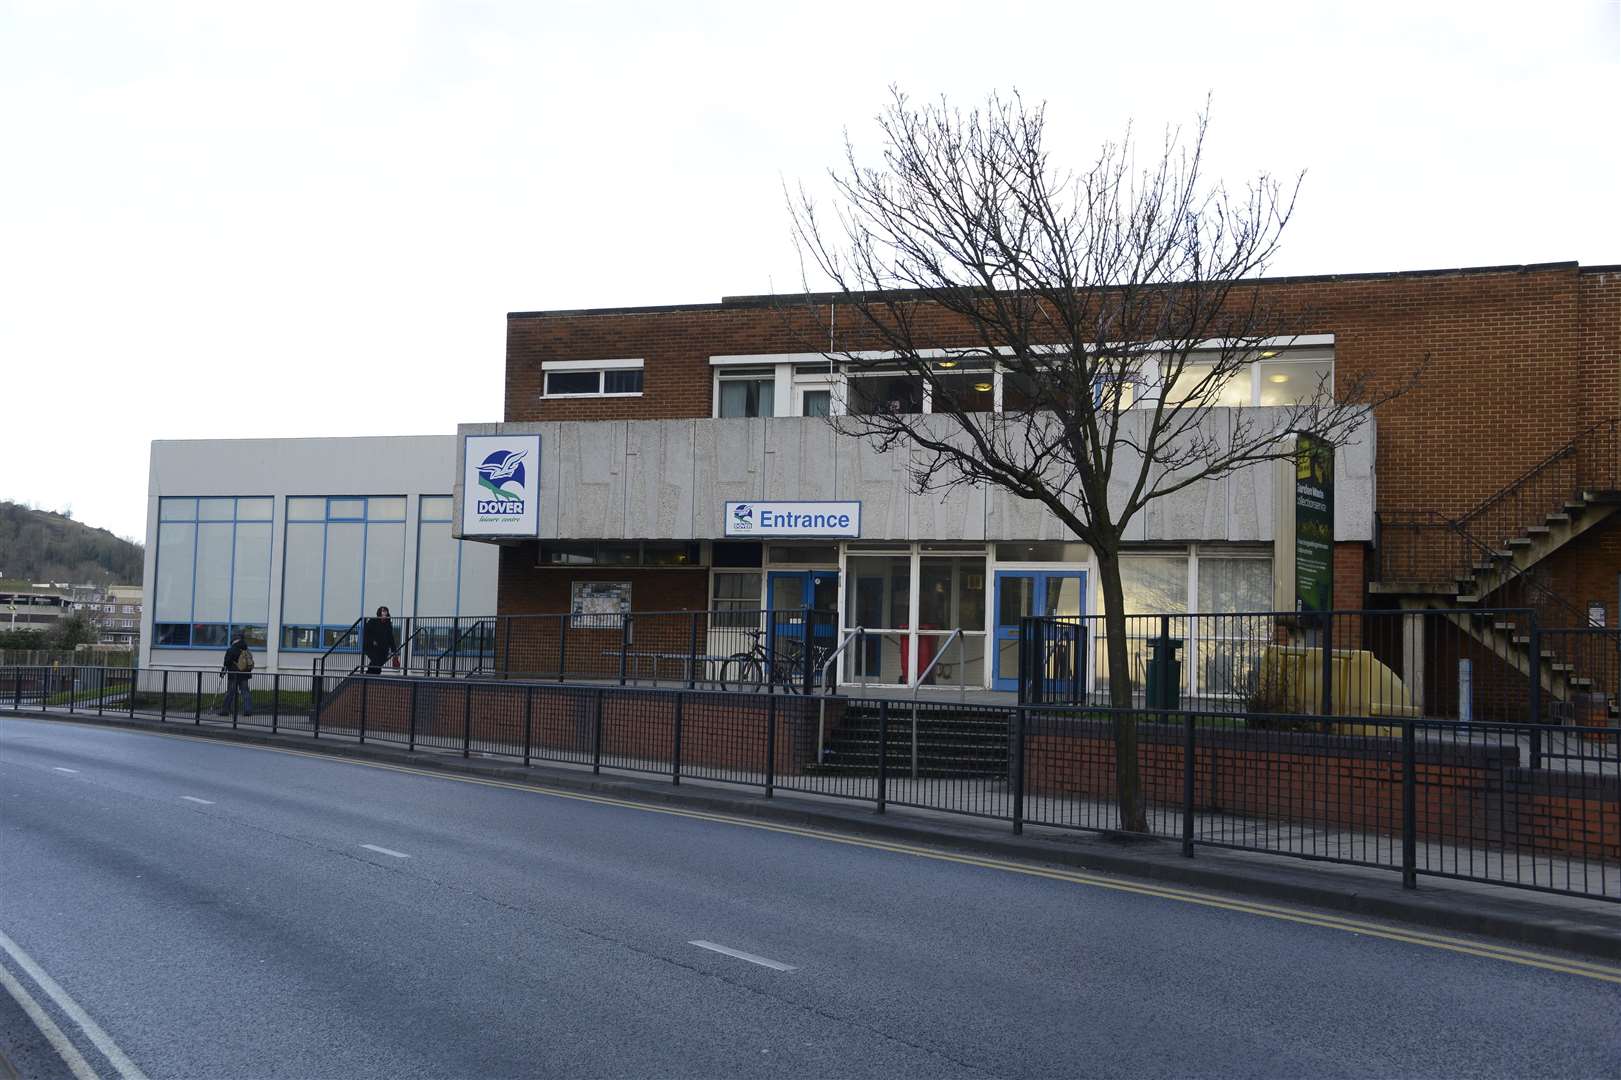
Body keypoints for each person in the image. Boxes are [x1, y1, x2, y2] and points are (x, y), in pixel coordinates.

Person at [219, 630, 253, 716]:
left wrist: (223, 672)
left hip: (233, 674)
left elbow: (227, 662)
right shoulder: (246, 649)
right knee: (245, 692)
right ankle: (248, 710)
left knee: (230, 692)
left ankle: (225, 710)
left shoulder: (231, 649)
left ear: (234, 639)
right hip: (245, 675)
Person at [362, 606, 399, 675]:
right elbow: (366, 632)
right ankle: (369, 675)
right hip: (371, 646)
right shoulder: (373, 621)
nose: (384, 613)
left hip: (383, 648)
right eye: (383, 611)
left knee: (378, 663)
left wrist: (394, 651)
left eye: (385, 611)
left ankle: (371, 675)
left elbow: (391, 638)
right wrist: (372, 640)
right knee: (376, 660)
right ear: (380, 613)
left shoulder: (388, 624)